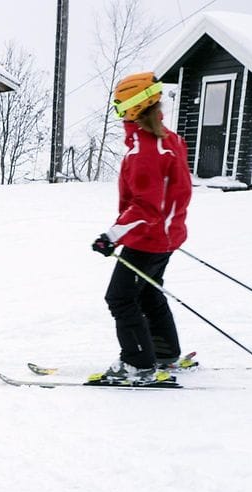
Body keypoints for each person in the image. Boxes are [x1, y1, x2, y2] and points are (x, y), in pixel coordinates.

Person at [90, 72, 193, 384]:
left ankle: (138, 364)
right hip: (164, 237)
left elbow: (146, 206)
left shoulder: (144, 150)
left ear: (135, 107)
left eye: (120, 107)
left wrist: (111, 236)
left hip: (148, 239)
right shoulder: (168, 139)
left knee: (120, 298)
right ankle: (164, 352)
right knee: (147, 292)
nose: (119, 114)